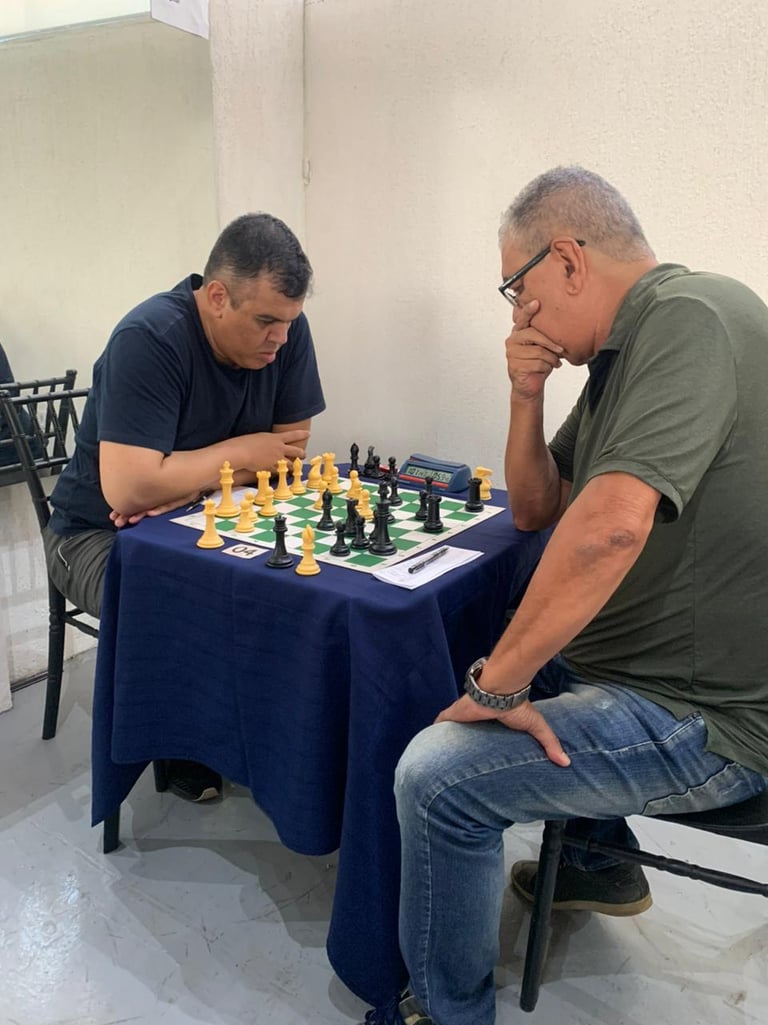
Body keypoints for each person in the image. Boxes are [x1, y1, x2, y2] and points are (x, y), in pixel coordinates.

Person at [363, 167, 768, 1025]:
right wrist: (525, 393)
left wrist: (499, 686)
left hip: (706, 717)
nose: (519, 315)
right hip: (638, 670)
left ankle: (446, 1012)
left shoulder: (691, 316)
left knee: (438, 779)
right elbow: (538, 505)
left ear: (570, 261)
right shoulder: (624, 356)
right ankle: (598, 863)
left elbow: (610, 527)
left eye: (519, 288)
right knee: (450, 649)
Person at [44, 213, 325, 802]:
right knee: (183, 601)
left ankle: (265, 746)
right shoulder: (149, 338)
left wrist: (181, 484)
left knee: (296, 595)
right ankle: (183, 742)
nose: (280, 339)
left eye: (289, 322)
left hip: (204, 515)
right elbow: (127, 495)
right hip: (93, 535)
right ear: (217, 297)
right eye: (266, 322)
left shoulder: (287, 331)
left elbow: (290, 454)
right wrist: (243, 454)